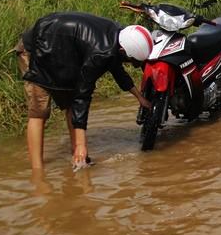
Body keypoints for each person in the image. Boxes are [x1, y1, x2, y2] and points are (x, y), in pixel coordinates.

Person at [16, 12, 153, 171]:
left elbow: (117, 70)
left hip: (61, 50)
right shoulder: (101, 53)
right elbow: (82, 96)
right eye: (133, 61)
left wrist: (139, 97)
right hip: (36, 48)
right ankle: (38, 173)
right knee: (40, 111)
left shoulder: (119, 37)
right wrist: (82, 144)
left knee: (70, 105)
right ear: (124, 51)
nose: (131, 64)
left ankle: (79, 157)